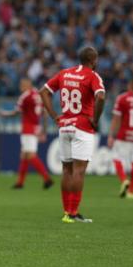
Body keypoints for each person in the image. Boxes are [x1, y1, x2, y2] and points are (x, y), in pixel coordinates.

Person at [39, 46, 105, 223]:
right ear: (93, 60)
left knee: (66, 170)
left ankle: (66, 213)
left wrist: (54, 116)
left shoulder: (64, 73)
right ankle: (74, 212)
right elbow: (101, 97)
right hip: (82, 127)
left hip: (64, 126)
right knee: (79, 171)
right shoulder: (92, 76)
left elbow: (43, 92)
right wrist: (96, 119)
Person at [0, 78, 54, 189]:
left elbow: (16, 112)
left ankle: (47, 178)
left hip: (28, 128)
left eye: (22, 85)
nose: (20, 87)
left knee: (30, 155)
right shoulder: (39, 94)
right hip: (36, 128)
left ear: (26, 85)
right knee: (24, 155)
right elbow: (45, 113)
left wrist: (4, 114)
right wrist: (44, 129)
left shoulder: (25, 96)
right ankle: (20, 183)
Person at [107, 79, 133, 199]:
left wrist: (111, 135)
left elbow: (116, 119)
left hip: (123, 135)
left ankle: (124, 180)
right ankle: (131, 192)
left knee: (116, 158)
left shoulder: (122, 98)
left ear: (129, 86)